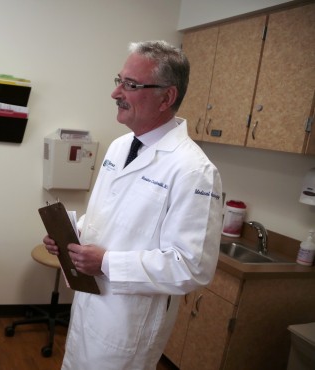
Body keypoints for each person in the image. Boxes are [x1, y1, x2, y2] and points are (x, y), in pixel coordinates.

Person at [43, 40, 223, 369]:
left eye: (131, 85)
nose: (116, 93)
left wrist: (108, 263)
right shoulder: (119, 147)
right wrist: (72, 235)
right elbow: (109, 216)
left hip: (127, 326)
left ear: (166, 97)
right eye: (119, 81)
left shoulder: (194, 171)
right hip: (88, 308)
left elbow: (192, 267)